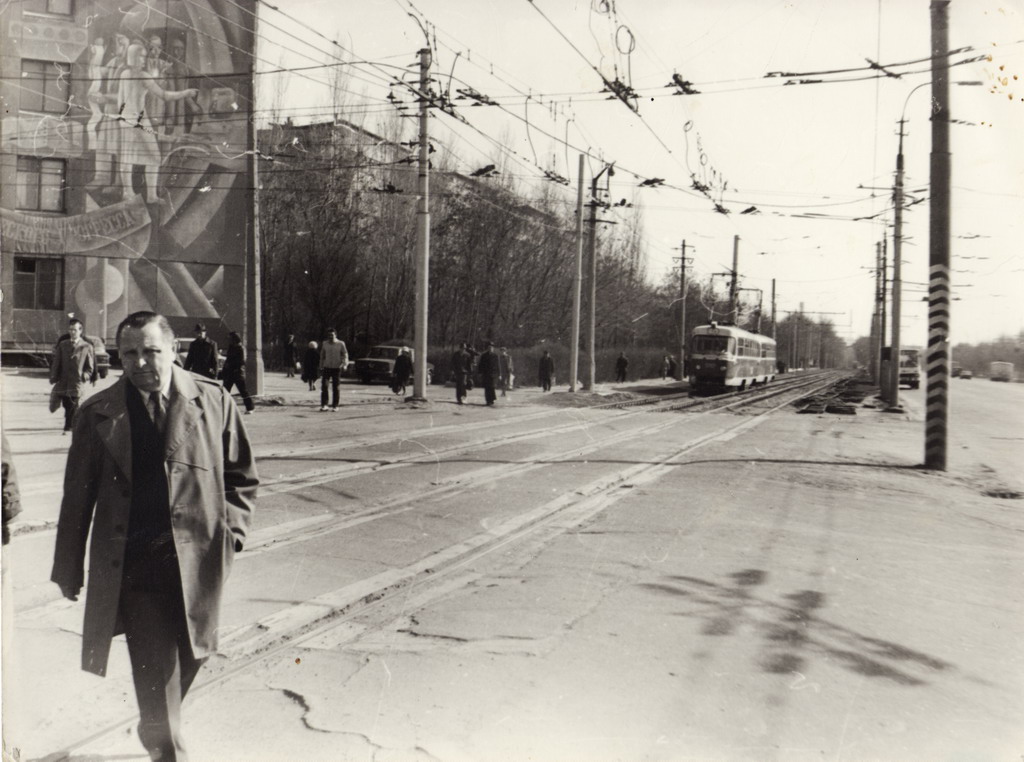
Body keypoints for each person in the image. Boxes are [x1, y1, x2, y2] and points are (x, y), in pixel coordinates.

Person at [50, 311, 258, 762]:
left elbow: (242, 478)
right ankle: (167, 749)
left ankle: (155, 721)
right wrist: (67, 567)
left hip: (198, 566)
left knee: (191, 657)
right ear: (118, 356)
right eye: (130, 353)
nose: (141, 362)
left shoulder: (213, 400)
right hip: (135, 569)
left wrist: (230, 537)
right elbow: (76, 500)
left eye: (151, 351)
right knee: (157, 673)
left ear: (173, 352)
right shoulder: (97, 412)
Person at [50, 318, 97, 434]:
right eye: (70, 329)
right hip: (64, 380)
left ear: (80, 330)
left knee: (73, 403)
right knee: (66, 403)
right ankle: (71, 424)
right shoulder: (63, 344)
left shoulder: (86, 346)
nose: (72, 332)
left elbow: (90, 367)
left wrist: (85, 376)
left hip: (77, 381)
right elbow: (57, 362)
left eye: (75, 330)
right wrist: (53, 376)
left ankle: (68, 427)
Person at [222, 332, 254, 414]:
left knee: (243, 390)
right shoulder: (231, 347)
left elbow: (241, 361)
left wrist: (235, 368)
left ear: (234, 339)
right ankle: (223, 407)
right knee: (225, 390)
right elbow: (228, 359)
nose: (228, 340)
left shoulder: (240, 348)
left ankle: (250, 408)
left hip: (237, 372)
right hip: (230, 372)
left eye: (230, 338)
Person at [319, 328, 348, 411]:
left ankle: (335, 405)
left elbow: (345, 354)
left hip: (336, 368)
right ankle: (324, 404)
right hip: (327, 367)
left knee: (336, 387)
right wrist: (321, 366)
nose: (330, 337)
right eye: (329, 335)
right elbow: (322, 355)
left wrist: (345, 364)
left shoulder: (341, 343)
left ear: (335, 335)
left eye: (332, 335)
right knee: (324, 386)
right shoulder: (325, 343)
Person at [477, 342, 501, 406]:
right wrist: (480, 372)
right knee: (487, 387)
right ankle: (488, 400)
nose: (490, 348)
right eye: (489, 347)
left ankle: (492, 399)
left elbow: (498, 365)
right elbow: (481, 365)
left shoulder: (495, 356)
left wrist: (499, 374)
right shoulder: (484, 355)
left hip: (493, 374)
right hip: (486, 374)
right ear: (487, 348)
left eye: (491, 347)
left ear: (493, 348)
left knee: (492, 387)